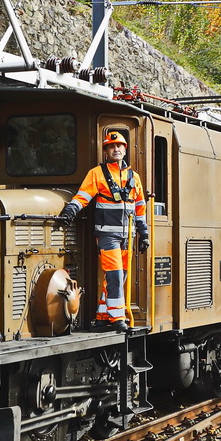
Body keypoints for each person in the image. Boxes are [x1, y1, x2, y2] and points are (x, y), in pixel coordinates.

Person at [58, 130, 149, 328]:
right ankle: (117, 318)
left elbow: (140, 207)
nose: (116, 149)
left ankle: (102, 315)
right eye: (111, 147)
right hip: (107, 235)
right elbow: (83, 196)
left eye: (119, 146)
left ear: (125, 150)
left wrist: (144, 233)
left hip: (128, 237)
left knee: (117, 277)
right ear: (106, 151)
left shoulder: (135, 177)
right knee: (115, 275)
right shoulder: (97, 174)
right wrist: (71, 210)